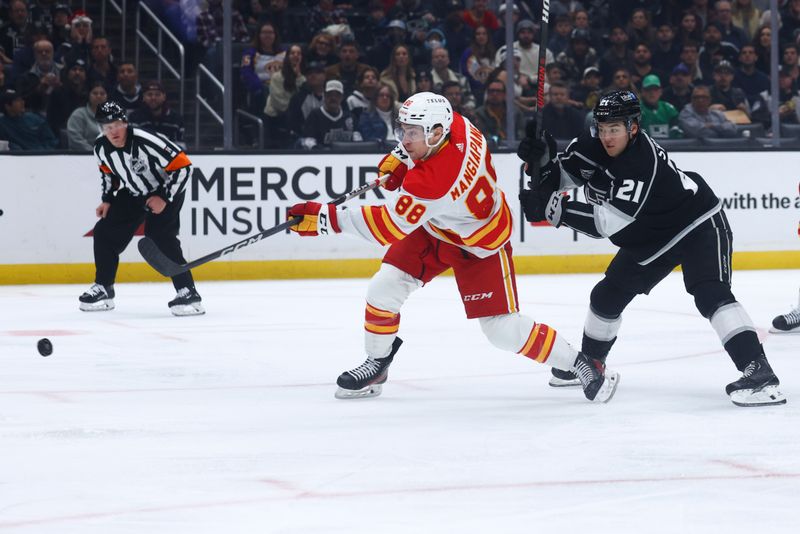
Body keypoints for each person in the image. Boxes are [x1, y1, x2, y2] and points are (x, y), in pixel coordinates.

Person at [286, 91, 619, 403]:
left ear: (434, 133)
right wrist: (401, 157)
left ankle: (579, 363)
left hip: (479, 243)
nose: (405, 139)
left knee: (501, 330)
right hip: (438, 226)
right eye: (403, 131)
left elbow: (387, 226)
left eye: (411, 134)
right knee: (383, 288)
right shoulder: (456, 123)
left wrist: (326, 219)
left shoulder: (433, 182)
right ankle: (377, 363)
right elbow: (422, 154)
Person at [517, 90, 785, 407]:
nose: (606, 136)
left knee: (710, 292)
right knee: (606, 295)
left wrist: (551, 211)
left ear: (633, 127)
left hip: (697, 223)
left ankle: (760, 374)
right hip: (653, 233)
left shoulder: (639, 162)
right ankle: (590, 363)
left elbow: (604, 224)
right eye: (602, 128)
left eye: (614, 129)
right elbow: (562, 177)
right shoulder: (591, 143)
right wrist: (543, 162)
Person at [79, 100, 203, 316]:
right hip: (134, 192)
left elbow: (183, 166)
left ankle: (187, 292)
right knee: (104, 233)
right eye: (107, 127)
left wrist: (163, 197)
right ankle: (104, 288)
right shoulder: (100, 146)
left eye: (117, 125)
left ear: (125, 123)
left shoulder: (146, 140)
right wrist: (107, 199)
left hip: (166, 189)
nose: (113, 131)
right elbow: (107, 172)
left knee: (159, 236)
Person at [128, 80, 186, 145]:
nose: (153, 98)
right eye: (149, 94)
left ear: (164, 97)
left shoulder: (176, 119)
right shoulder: (134, 117)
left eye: (157, 94)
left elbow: (181, 146)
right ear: (143, 97)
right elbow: (132, 145)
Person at [66, 79, 105, 151]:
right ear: (89, 95)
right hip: (83, 157)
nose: (99, 96)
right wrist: (94, 152)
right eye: (95, 93)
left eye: (102, 94)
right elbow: (75, 141)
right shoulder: (78, 115)